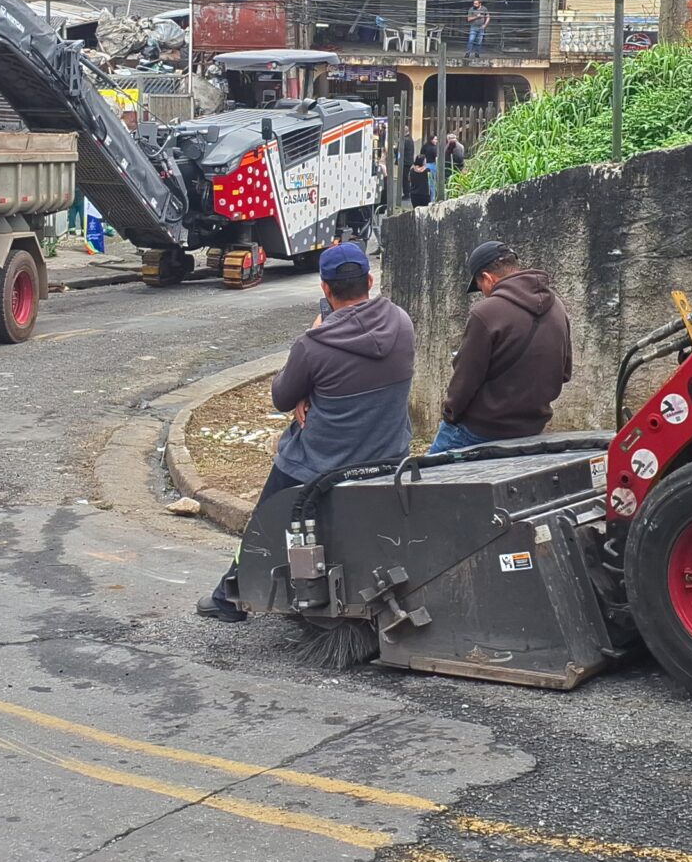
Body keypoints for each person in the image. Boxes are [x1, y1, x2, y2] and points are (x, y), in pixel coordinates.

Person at [198, 242, 414, 620]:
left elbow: (282, 397)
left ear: (325, 290)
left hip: (318, 464)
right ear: (370, 280)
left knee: (266, 516)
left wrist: (313, 347)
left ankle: (230, 593)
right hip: (388, 456)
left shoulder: (314, 346)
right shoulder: (402, 323)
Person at [429, 239, 574, 454]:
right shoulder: (557, 307)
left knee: (422, 481)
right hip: (532, 427)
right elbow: (565, 372)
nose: (483, 293)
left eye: (480, 287)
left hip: (480, 429)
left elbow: (465, 381)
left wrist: (450, 414)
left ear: (488, 278)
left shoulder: (486, 313)